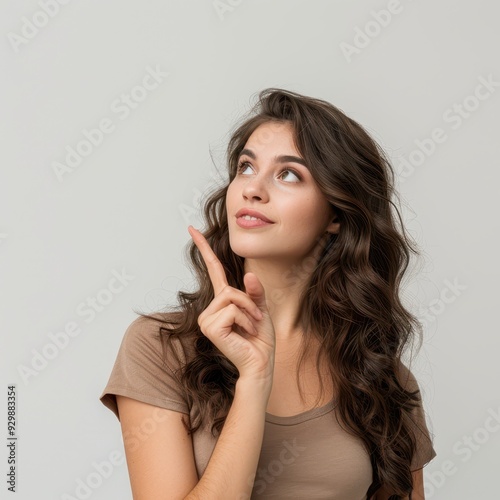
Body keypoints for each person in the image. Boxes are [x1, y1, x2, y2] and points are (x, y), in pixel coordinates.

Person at [100, 88, 436, 499]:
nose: (252, 189)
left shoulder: (382, 375)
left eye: (288, 174)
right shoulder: (161, 347)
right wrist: (254, 379)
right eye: (245, 167)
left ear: (335, 215)